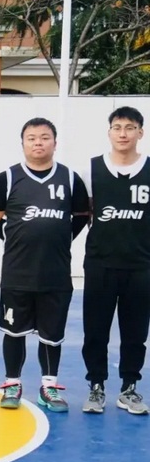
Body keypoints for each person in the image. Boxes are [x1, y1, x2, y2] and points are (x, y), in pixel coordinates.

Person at [0, 117, 89, 412]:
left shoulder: (70, 178)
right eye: (31, 138)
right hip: (17, 272)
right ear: (23, 143)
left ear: (55, 142)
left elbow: (82, 215)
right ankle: (12, 384)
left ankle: (49, 387)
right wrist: (15, 237)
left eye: (44, 137)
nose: (38, 143)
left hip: (55, 273)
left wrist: (59, 237)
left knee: (51, 335)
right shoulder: (7, 178)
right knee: (13, 332)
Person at [82, 106, 150, 415]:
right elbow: (83, 214)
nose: (123, 133)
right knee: (95, 330)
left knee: (135, 333)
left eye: (130, 127)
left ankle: (129, 388)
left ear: (140, 132)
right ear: (109, 132)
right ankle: (96, 386)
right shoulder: (91, 170)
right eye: (117, 127)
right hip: (101, 264)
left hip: (141, 265)